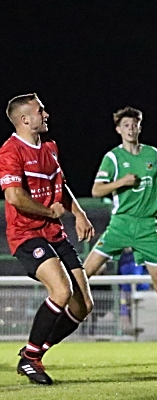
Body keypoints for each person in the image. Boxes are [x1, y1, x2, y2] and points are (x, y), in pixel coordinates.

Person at [0, 93, 95, 385]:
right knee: (61, 291)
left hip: (55, 234)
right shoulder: (10, 150)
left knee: (84, 306)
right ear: (24, 119)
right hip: (26, 234)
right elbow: (14, 196)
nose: (46, 115)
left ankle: (35, 352)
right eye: (40, 111)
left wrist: (78, 213)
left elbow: (61, 186)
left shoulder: (50, 148)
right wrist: (48, 212)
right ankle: (30, 359)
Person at [82, 106, 157, 360]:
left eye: (134, 124)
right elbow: (96, 190)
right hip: (121, 225)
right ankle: (64, 322)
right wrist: (121, 182)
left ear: (140, 126)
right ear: (118, 130)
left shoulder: (153, 154)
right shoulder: (113, 158)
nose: (131, 128)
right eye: (126, 125)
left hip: (148, 227)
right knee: (85, 273)